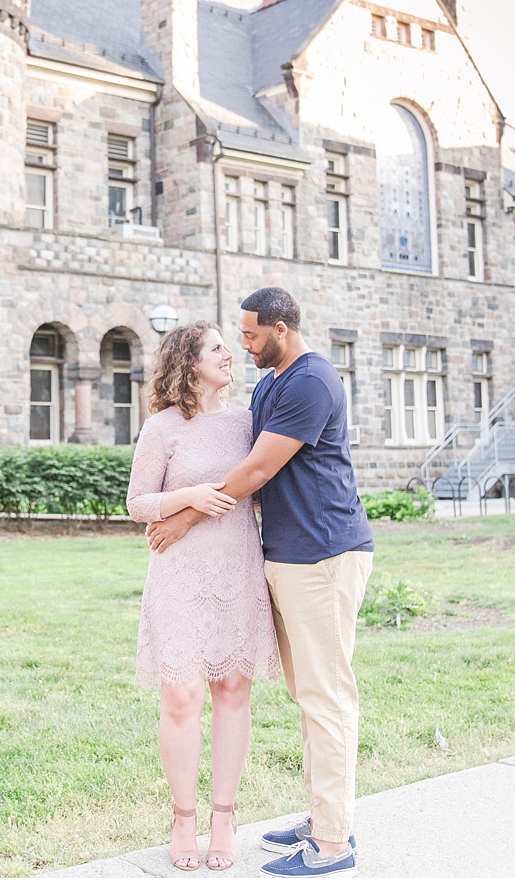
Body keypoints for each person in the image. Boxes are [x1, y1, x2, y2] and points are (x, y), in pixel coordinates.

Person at [147, 288, 373, 879]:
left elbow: (257, 469)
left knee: (326, 696)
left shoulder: (310, 382)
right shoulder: (271, 383)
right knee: (309, 692)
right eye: (229, 340)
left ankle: (332, 841)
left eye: (247, 336)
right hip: (284, 557)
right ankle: (323, 815)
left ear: (279, 328)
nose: (241, 347)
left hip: (324, 553)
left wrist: (185, 516)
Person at [127, 320, 280, 872]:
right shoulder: (161, 428)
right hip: (180, 575)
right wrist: (188, 495)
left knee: (233, 689)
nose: (229, 355)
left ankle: (225, 815)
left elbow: (260, 482)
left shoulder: (247, 424)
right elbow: (138, 504)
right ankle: (184, 817)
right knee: (181, 698)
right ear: (188, 362)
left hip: (237, 567)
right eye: (217, 348)